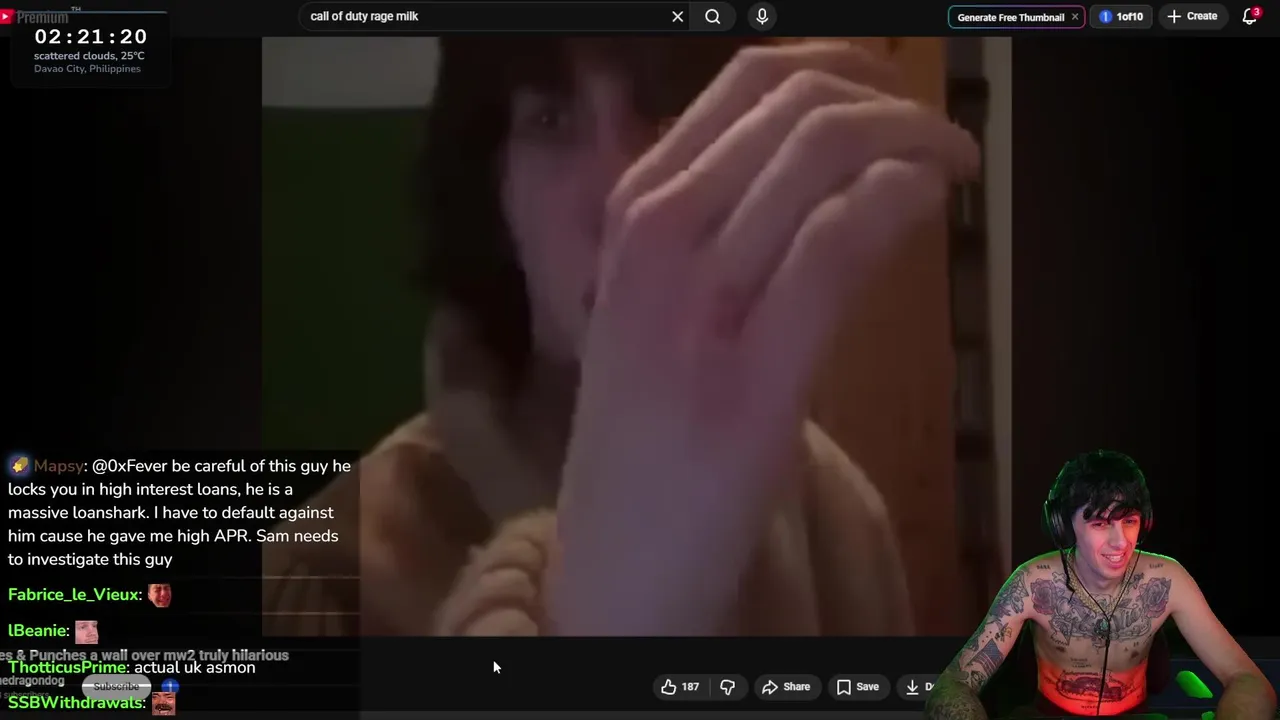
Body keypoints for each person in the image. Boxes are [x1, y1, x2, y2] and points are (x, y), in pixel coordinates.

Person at [262, 37, 978, 636]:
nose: (623, 200)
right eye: (550, 122)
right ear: (492, 189)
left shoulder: (841, 517)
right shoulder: (336, 569)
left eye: (664, 117)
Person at [926, 450, 1275, 718]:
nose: (1119, 542)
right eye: (1100, 524)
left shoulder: (1169, 580)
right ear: (1065, 526)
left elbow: (1249, 680)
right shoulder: (1032, 583)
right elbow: (952, 685)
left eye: (1129, 521)